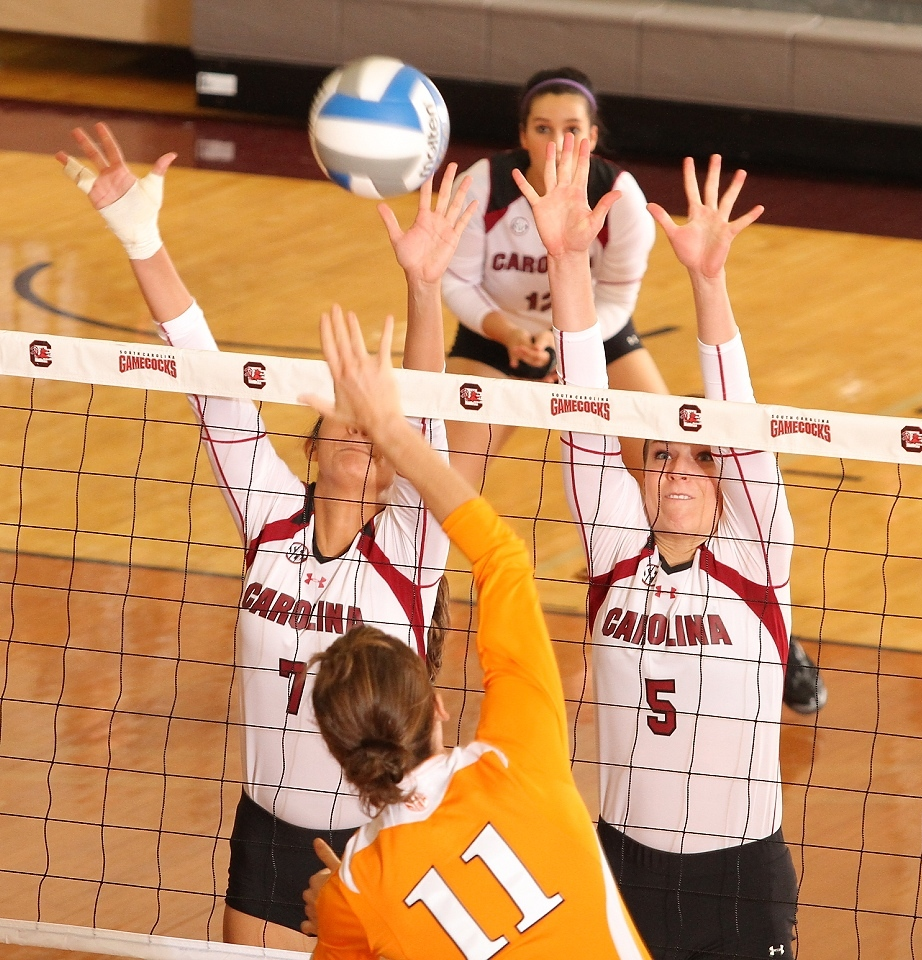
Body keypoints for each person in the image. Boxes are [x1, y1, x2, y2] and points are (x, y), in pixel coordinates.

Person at [57, 123, 477, 949]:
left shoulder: (409, 547)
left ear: (396, 457)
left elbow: (422, 413)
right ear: (310, 446)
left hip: (379, 836)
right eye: (342, 423)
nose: (362, 435)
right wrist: (139, 236)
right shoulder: (268, 511)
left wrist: (424, 288)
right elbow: (206, 374)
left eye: (377, 430)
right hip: (266, 827)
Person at [296, 303, 653, 959]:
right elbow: (501, 558)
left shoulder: (359, 885)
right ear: (436, 705)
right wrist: (391, 431)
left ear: (338, 753)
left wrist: (340, 918)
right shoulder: (519, 758)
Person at [518, 134, 799, 958]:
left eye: (696, 458)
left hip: (739, 878)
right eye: (662, 455)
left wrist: (708, 282)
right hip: (623, 865)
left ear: (725, 482)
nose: (676, 469)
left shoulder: (756, 557)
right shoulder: (614, 555)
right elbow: (581, 417)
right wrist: (569, 266)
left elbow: (740, 427)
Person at [441, 67, 665, 482]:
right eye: (543, 128)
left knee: (664, 459)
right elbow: (456, 281)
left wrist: (569, 343)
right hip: (497, 337)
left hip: (596, 335)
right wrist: (508, 334)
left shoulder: (621, 198)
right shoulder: (482, 186)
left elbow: (616, 299)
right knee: (441, 480)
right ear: (523, 136)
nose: (558, 143)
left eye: (572, 129)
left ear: (593, 138)